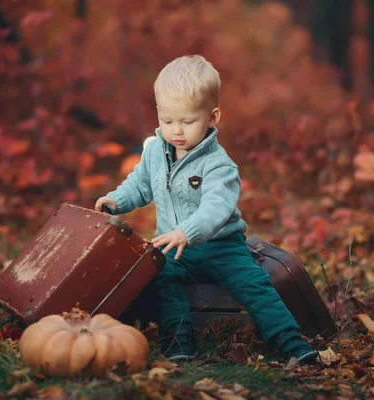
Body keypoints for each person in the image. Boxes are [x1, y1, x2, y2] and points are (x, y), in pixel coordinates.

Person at [95, 55, 317, 364]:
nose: (177, 131)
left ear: (212, 117)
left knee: (253, 283)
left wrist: (187, 231)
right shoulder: (155, 153)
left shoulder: (219, 165)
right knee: (162, 278)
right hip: (172, 246)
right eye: (168, 120)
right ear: (159, 113)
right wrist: (117, 200)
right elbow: (140, 184)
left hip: (221, 246)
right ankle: (179, 344)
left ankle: (292, 343)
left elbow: (217, 208)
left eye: (187, 121)